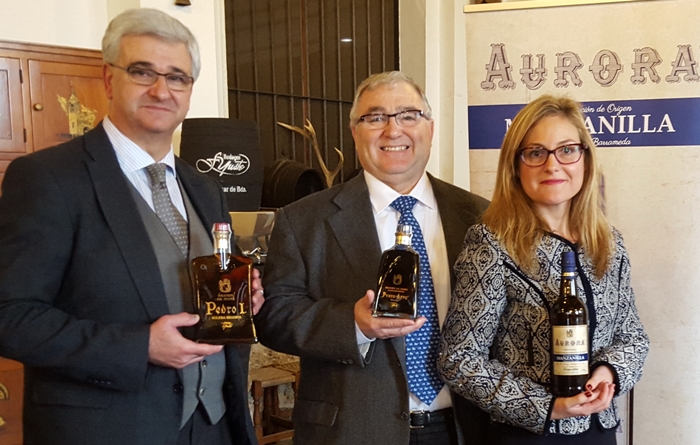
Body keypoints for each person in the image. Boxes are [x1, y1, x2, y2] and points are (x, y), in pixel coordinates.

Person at [0, 8, 262, 445]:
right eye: (142, 72)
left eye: (177, 77)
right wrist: (139, 346)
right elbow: (10, 316)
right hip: (108, 430)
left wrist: (243, 296)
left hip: (215, 426)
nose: (161, 90)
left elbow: (217, 283)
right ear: (109, 79)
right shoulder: (48, 178)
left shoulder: (205, 187)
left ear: (189, 90)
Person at [255, 71, 490, 445]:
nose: (393, 130)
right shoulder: (302, 220)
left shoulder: (480, 215)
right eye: (375, 117)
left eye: (408, 115)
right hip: (352, 430)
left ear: (430, 128)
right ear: (355, 132)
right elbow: (274, 317)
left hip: (465, 428)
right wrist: (353, 324)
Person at [438, 95, 650, 444]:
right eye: (536, 153)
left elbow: (633, 339)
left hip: (599, 432)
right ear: (515, 166)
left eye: (567, 150)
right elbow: (458, 359)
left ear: (585, 159)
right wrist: (547, 406)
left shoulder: (609, 243)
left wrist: (607, 372)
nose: (552, 165)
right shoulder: (492, 243)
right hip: (527, 436)